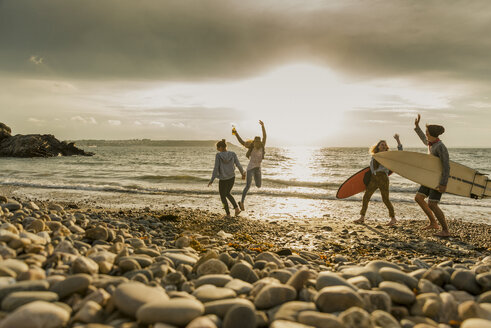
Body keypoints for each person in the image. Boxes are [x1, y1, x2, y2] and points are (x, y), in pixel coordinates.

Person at [413, 114, 451, 237]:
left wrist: (443, 183)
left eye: (427, 132)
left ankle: (445, 230)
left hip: (437, 179)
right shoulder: (431, 143)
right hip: (429, 177)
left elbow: (446, 166)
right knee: (418, 198)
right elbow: (423, 139)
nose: (426, 134)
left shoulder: (440, 146)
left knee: (432, 204)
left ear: (432, 134)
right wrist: (417, 127)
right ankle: (433, 223)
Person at [354, 134, 403, 226]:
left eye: (385, 145)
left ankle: (393, 218)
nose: (383, 146)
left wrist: (398, 140)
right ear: (378, 147)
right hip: (374, 178)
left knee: (385, 199)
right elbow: (372, 168)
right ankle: (362, 217)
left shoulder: (388, 155)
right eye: (382, 144)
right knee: (366, 197)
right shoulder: (375, 156)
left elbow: (400, 153)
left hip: (383, 178)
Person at [232, 120, 266, 211]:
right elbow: (241, 141)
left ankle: (254, 177)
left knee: (258, 185)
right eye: (255, 142)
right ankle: (242, 202)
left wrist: (262, 126)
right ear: (254, 142)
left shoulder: (262, 146)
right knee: (248, 186)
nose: (257, 143)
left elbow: (265, 136)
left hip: (258, 169)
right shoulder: (251, 147)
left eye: (258, 142)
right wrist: (236, 133)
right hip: (250, 168)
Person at [208, 139, 245, 218]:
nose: (217, 149)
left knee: (223, 196)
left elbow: (216, 168)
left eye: (218, 147)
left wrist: (212, 179)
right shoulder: (233, 154)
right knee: (227, 193)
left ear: (221, 147)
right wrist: (242, 173)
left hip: (223, 179)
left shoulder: (218, 155)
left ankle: (228, 214)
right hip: (232, 177)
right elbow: (238, 164)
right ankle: (236, 209)